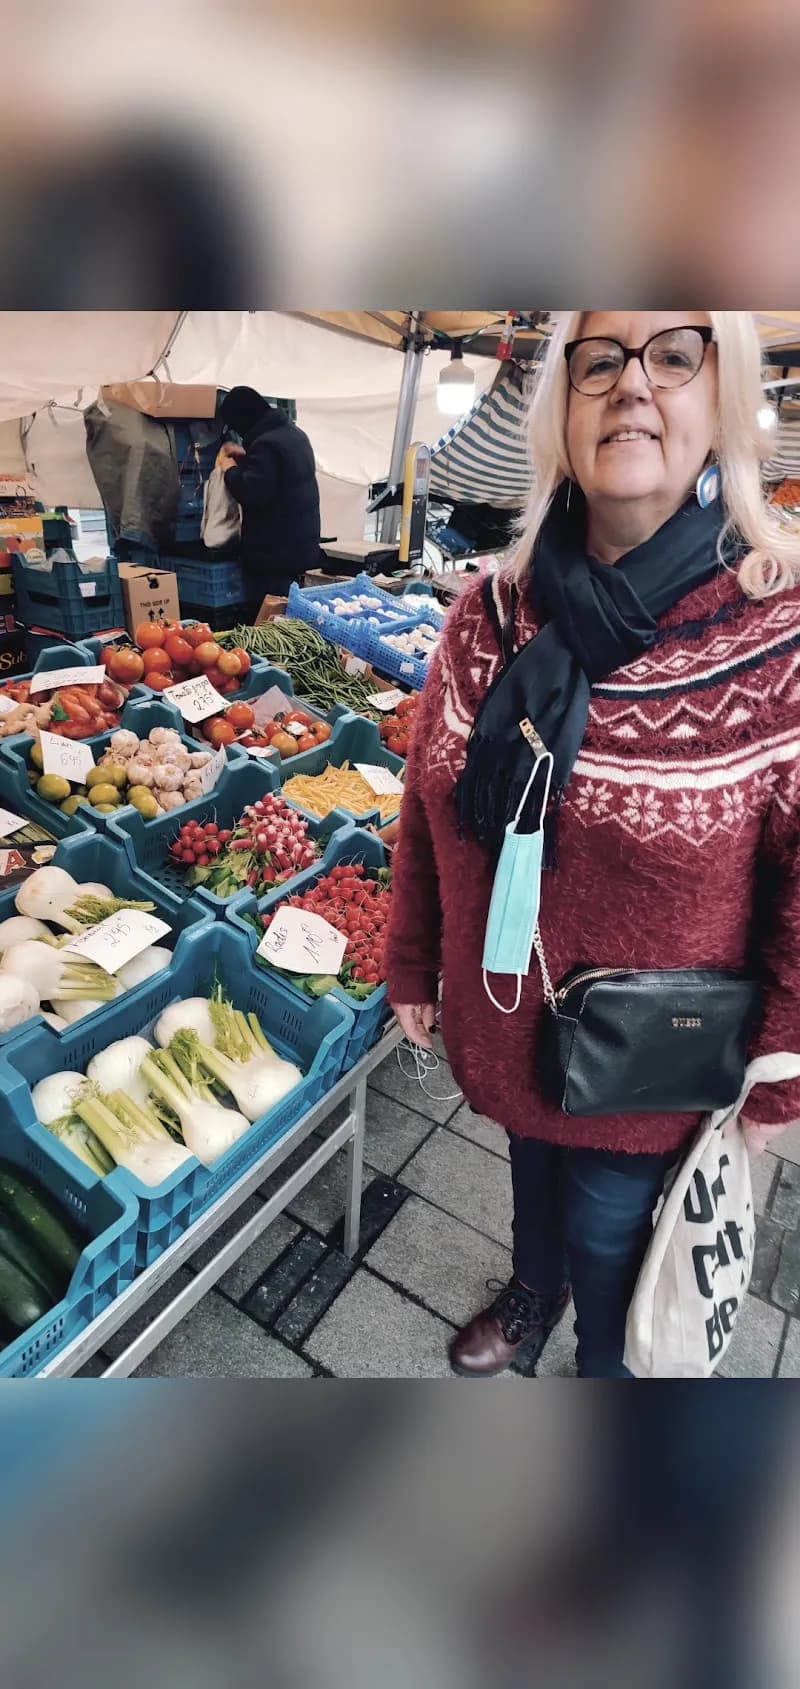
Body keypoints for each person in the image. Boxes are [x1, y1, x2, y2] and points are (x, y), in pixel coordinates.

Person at [384, 312, 800, 1379]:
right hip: (506, 1014)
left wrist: (775, 1082)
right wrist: (410, 956)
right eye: (598, 360)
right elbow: (426, 808)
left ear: (722, 392)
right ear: (558, 409)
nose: (630, 384)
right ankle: (531, 1293)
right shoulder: (489, 611)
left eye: (673, 354)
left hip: (649, 1066)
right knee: (528, 1170)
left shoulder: (778, 632)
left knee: (617, 1243)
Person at [217, 386, 323, 604]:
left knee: (269, 621)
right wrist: (247, 459)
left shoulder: (266, 444)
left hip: (274, 557)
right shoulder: (294, 434)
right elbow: (278, 478)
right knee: (291, 613)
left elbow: (253, 492)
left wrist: (230, 470)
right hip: (300, 548)